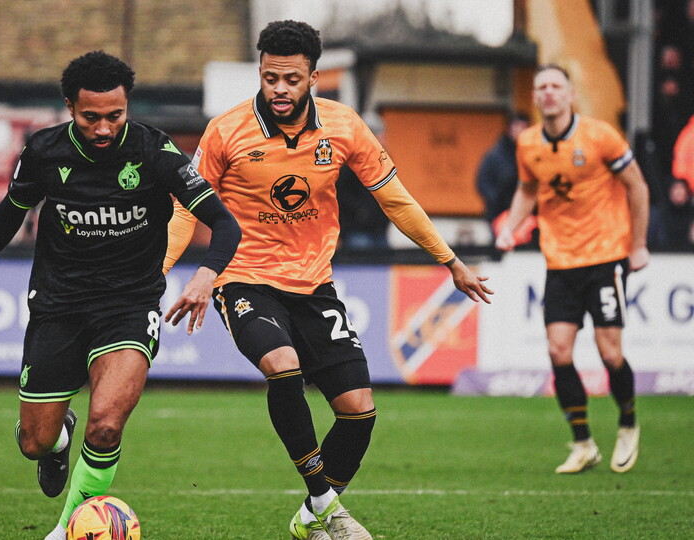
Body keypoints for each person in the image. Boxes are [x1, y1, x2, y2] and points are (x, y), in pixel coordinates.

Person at [165, 20, 492, 540]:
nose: (279, 89)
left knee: (359, 413)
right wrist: (162, 275)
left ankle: (308, 517)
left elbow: (395, 198)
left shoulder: (343, 127)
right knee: (283, 364)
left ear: (314, 77)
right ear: (260, 72)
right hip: (244, 280)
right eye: (271, 77)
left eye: (292, 79)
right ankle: (325, 502)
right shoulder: (225, 131)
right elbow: (186, 210)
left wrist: (449, 260)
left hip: (314, 286)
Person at [0, 51, 240, 540]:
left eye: (115, 116)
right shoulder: (44, 151)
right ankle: (59, 439)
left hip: (129, 304)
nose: (104, 128)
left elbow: (225, 223)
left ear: (128, 106)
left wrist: (206, 274)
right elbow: (7, 216)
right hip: (58, 305)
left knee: (105, 426)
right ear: (69, 107)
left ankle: (65, 530)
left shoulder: (155, 151)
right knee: (33, 443)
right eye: (90, 117)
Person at [495, 64, 649, 475]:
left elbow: (637, 185)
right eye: (540, 87)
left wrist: (638, 245)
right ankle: (583, 443)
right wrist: (511, 227)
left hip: (605, 257)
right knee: (558, 350)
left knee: (609, 352)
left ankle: (628, 424)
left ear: (570, 94)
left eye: (555, 86)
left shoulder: (600, 136)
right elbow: (528, 189)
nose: (547, 93)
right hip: (559, 261)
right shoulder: (528, 143)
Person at [476, 112, 530, 228]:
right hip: (500, 215)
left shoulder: (531, 154)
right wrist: (497, 201)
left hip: (527, 217)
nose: (521, 132)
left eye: (524, 128)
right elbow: (482, 182)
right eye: (518, 127)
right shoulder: (495, 155)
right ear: (510, 129)